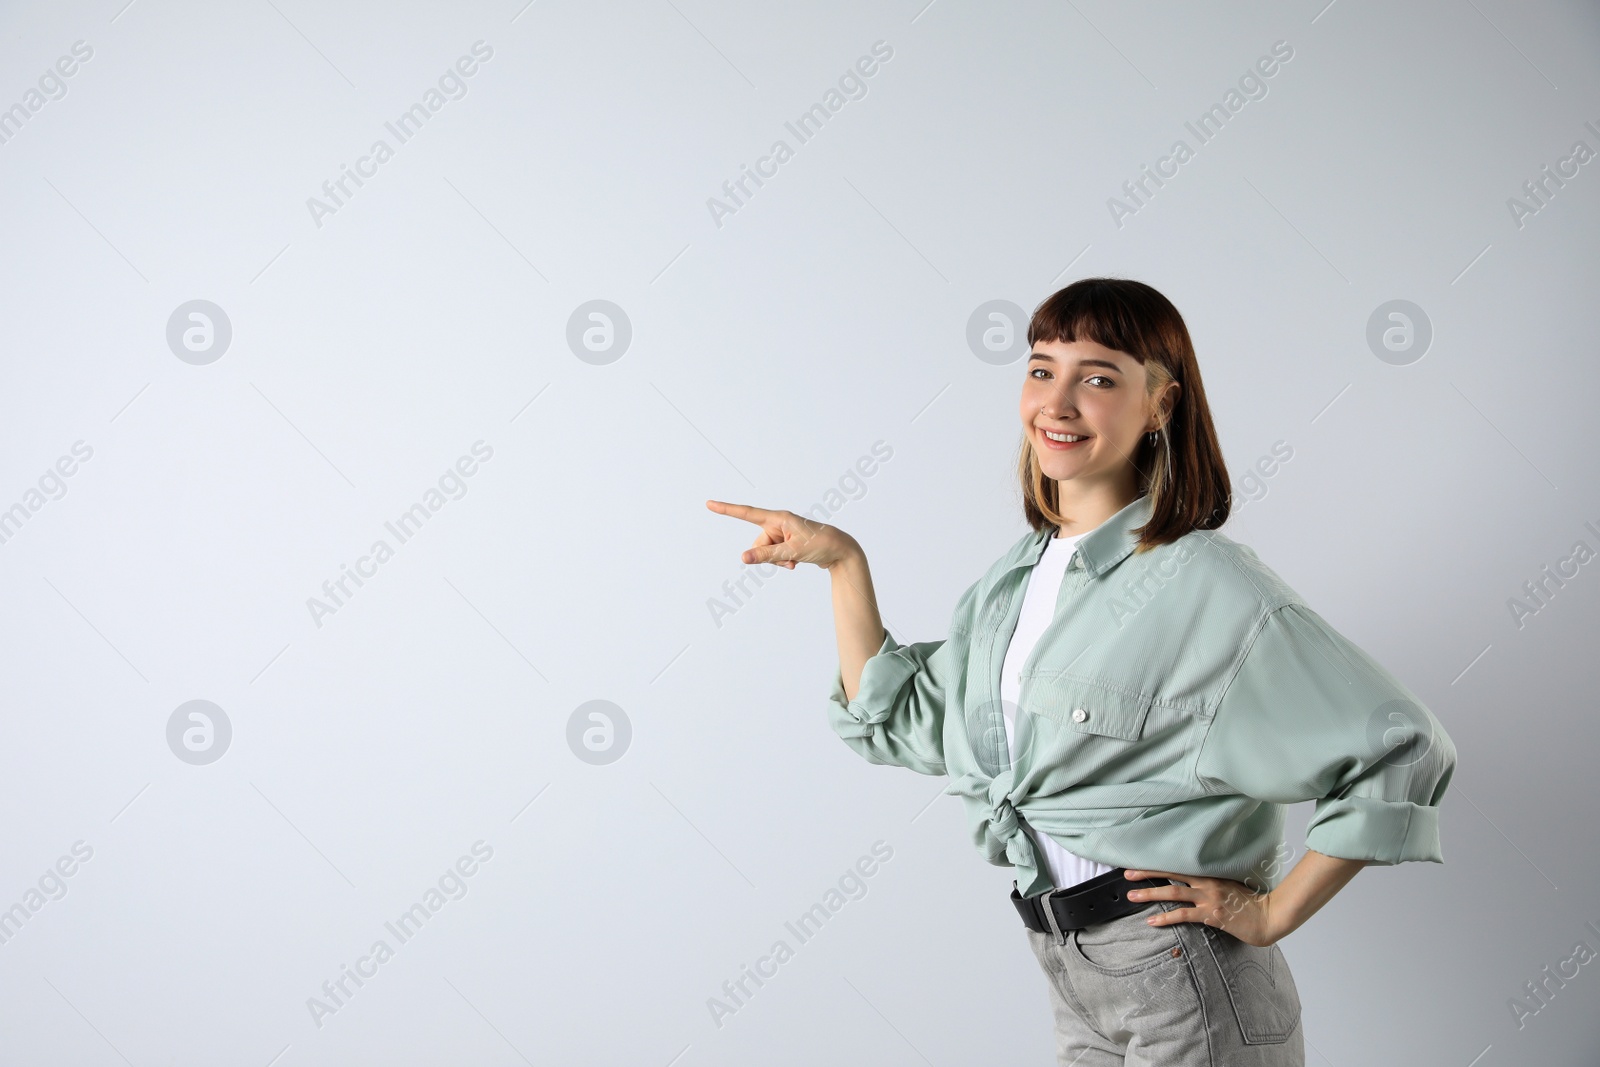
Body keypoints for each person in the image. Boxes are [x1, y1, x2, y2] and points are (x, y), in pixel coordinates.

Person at [706, 277, 1455, 1065]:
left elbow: (1405, 744)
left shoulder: (1206, 581)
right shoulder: (1013, 582)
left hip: (1184, 978)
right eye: (1041, 369)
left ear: (1161, 403)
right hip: (1071, 974)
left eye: (1097, 377)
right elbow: (905, 723)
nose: (1056, 402)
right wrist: (843, 563)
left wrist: (1272, 913)